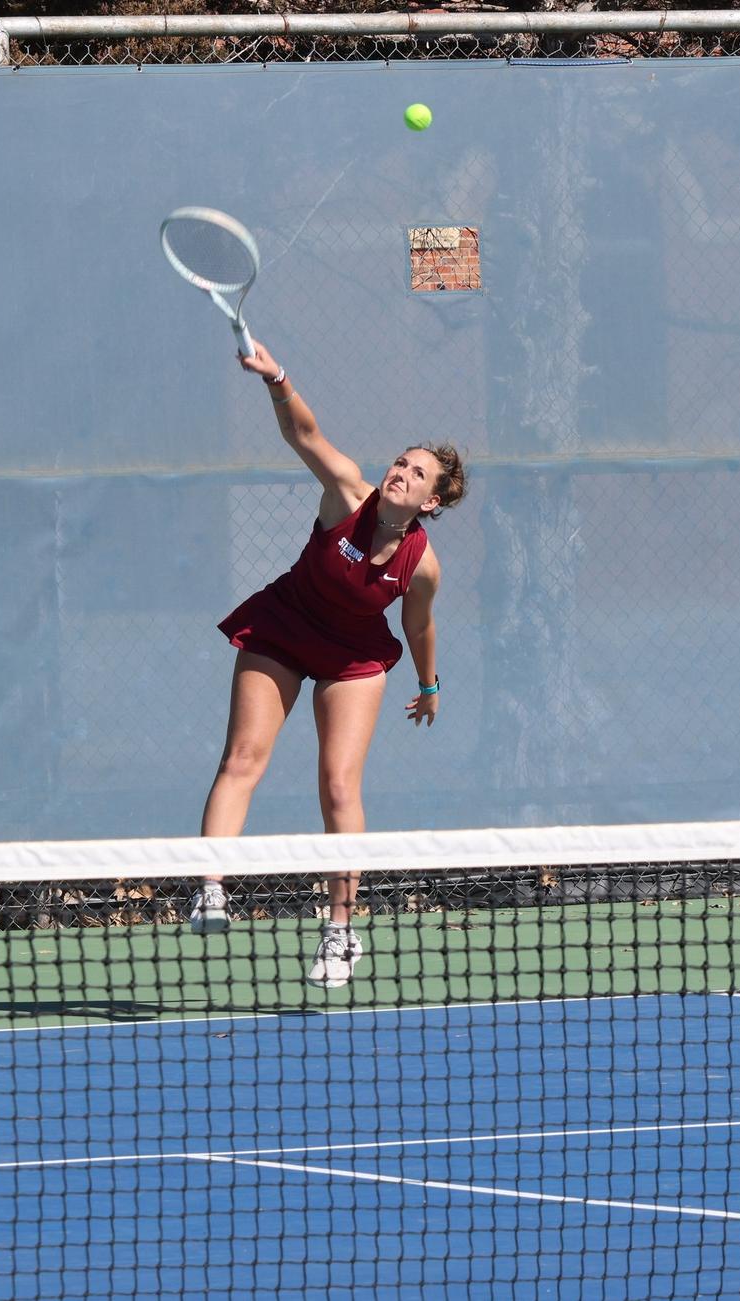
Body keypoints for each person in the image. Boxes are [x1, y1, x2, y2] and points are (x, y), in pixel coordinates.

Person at [191, 342, 466, 988]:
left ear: (431, 502)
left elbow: (417, 624)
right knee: (242, 758)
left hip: (353, 654)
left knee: (339, 785)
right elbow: (303, 432)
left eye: (417, 472)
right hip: (286, 624)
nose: (401, 470)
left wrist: (429, 686)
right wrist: (278, 378)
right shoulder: (348, 492)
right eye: (401, 460)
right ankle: (209, 888)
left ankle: (342, 932)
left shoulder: (421, 567)